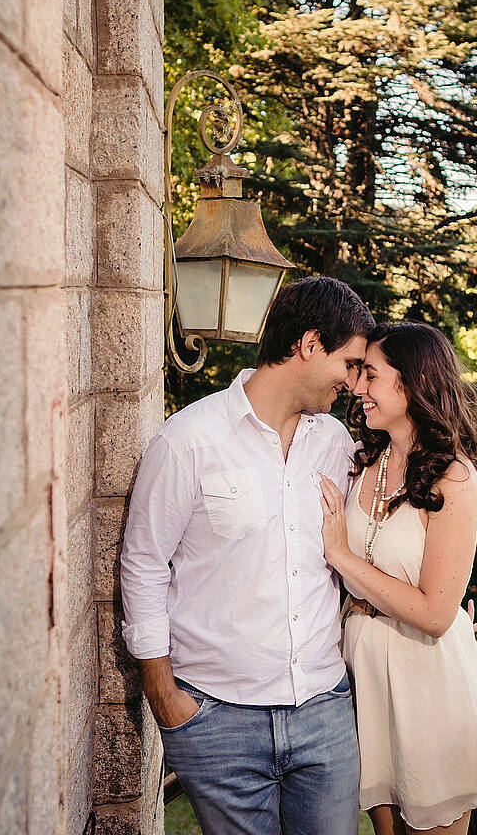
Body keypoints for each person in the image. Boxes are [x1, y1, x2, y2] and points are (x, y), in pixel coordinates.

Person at [119, 275, 376, 835]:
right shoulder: (187, 441)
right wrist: (163, 695)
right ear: (310, 345)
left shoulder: (337, 445)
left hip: (324, 713)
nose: (355, 383)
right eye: (351, 363)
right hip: (216, 721)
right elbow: (143, 565)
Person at [318, 322, 477, 834]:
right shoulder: (364, 462)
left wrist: (342, 556)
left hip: (426, 683)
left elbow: (433, 614)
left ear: (410, 385)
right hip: (365, 681)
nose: (358, 387)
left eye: (371, 375)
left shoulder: (455, 477)